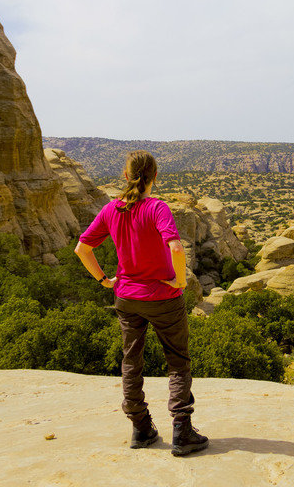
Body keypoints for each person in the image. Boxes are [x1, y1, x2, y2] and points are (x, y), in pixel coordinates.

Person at [74, 150, 208, 456]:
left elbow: (82, 248)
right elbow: (175, 246)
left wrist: (103, 279)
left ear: (126, 176)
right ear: (155, 177)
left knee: (131, 361)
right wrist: (180, 279)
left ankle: (141, 427)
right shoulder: (157, 208)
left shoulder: (112, 210)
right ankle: (182, 431)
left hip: (126, 297)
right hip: (163, 298)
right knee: (177, 361)